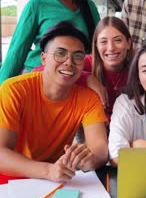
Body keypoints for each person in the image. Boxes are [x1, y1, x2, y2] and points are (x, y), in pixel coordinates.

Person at [0, 21, 108, 180]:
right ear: (43, 59)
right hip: (10, 181)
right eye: (60, 53)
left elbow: (100, 150)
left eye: (77, 56)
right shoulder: (14, 90)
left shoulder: (88, 99)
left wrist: (87, 160)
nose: (69, 62)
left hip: (55, 181)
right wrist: (48, 171)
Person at [0, 0, 100, 84]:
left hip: (75, 77)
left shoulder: (89, 7)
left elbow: (97, 49)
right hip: (39, 77)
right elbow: (17, 50)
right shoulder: (37, 5)